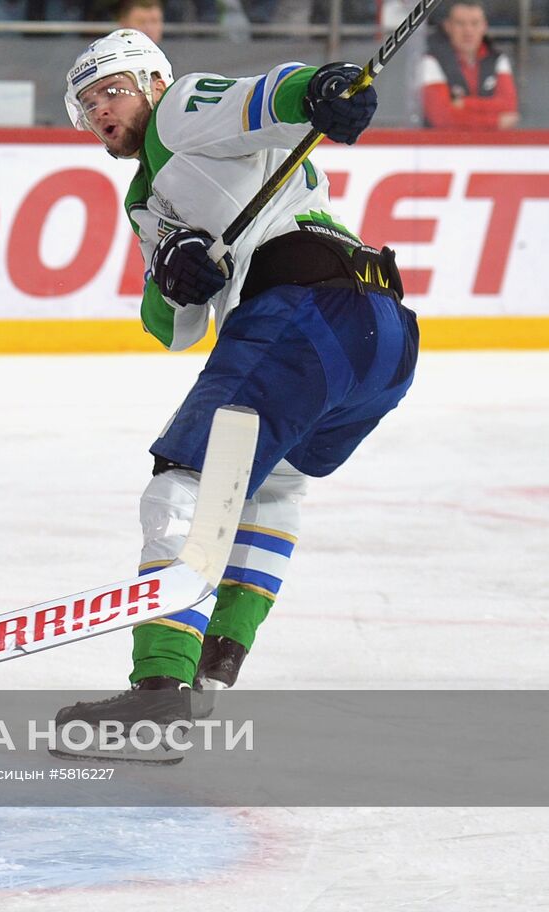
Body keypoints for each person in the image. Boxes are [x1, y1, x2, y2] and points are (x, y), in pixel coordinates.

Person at [53, 30, 419, 759]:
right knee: (271, 491)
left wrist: (318, 91)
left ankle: (159, 696)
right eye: (87, 103)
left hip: (303, 318)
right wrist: (176, 268)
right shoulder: (149, 196)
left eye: (113, 89)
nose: (100, 108)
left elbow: (264, 101)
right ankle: (214, 671)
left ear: (154, 81)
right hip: (380, 334)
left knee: (182, 490)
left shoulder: (177, 109)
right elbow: (178, 328)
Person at [420, 0, 519, 129]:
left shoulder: (498, 59)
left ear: (484, 26)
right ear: (448, 26)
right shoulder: (431, 59)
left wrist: (464, 103)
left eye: (475, 23)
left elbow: (509, 106)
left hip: (491, 147)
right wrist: (495, 122)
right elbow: (441, 117)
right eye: (460, 23)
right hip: (443, 146)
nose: (468, 30)